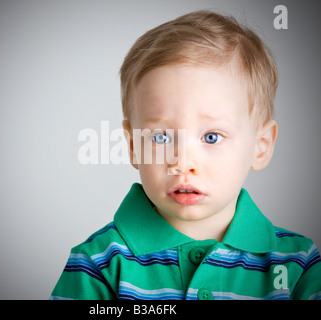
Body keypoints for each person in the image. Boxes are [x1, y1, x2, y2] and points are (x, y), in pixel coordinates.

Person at [50, 10, 321, 300]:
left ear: (261, 146)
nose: (183, 163)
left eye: (211, 137)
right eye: (161, 137)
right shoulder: (97, 265)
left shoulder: (297, 263)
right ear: (132, 146)